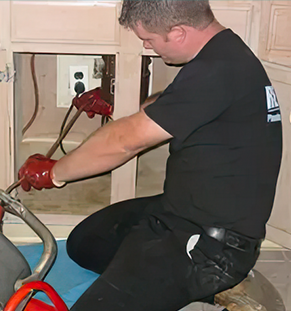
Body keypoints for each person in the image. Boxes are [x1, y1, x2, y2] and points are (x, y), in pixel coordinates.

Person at [17, 1, 283, 310]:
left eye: (149, 39)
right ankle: (152, 281)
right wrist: (112, 107)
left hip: (213, 247)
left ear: (179, 32)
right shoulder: (224, 54)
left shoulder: (216, 71)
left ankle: (219, 284)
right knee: (86, 243)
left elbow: (125, 142)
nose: (146, 46)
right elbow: (170, 106)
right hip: (180, 211)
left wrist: (54, 173)